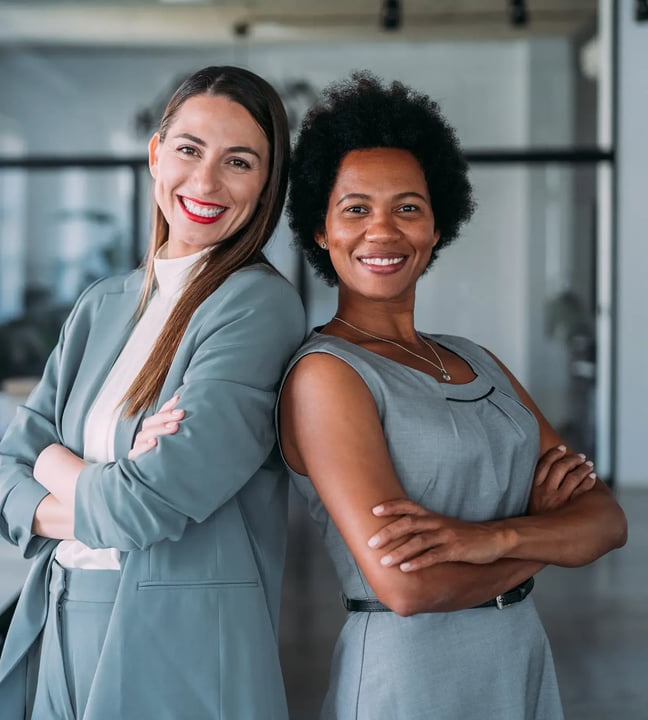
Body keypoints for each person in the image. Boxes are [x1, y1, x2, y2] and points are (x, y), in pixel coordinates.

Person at [277, 72, 627, 719]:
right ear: (321, 231)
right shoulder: (326, 375)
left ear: (437, 226)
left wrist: (490, 542)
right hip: (408, 680)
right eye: (355, 208)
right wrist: (544, 540)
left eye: (408, 207)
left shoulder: (475, 358)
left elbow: (607, 522)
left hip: (517, 658)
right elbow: (406, 587)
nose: (383, 230)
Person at [0, 65, 305, 720]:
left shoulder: (257, 307)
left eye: (238, 162)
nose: (206, 182)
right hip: (62, 617)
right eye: (189, 149)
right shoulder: (103, 304)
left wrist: (53, 463)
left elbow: (143, 510)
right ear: (157, 153)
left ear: (267, 185)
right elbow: (1, 478)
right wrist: (99, 477)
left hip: (178, 641)